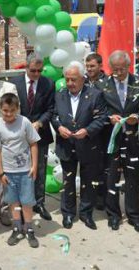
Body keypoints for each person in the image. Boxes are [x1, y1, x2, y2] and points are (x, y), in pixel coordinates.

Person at [51, 62, 107, 230]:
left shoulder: (96, 95)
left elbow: (102, 118)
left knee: (88, 181)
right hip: (66, 145)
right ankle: (68, 213)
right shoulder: (59, 94)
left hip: (88, 145)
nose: (70, 83)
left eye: (73, 80)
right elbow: (54, 115)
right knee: (68, 181)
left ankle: (86, 213)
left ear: (83, 79)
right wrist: (59, 127)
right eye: (67, 79)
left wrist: (87, 131)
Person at [0, 93, 40, 248]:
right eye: (5, 110)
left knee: (27, 201)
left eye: (12, 110)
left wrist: (34, 166)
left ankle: (29, 228)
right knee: (13, 201)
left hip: (25, 171)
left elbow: (33, 144)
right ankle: (17, 226)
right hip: (8, 172)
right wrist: (1, 173)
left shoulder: (24, 122)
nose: (9, 114)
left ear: (18, 108)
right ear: (0, 110)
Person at [9, 53, 55, 221]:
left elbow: (51, 108)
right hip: (18, 135)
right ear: (26, 67)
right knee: (19, 170)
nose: (36, 74)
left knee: (40, 170)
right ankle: (21, 203)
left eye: (39, 71)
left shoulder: (48, 83)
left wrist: (40, 123)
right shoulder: (14, 83)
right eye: (33, 70)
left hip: (40, 133)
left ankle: (39, 202)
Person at [100, 50, 139, 232]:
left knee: (133, 176)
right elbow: (97, 110)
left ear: (128, 66)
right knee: (111, 176)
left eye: (122, 69)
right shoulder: (103, 85)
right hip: (111, 138)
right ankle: (113, 215)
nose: (118, 73)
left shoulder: (137, 83)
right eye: (115, 69)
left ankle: (133, 214)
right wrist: (109, 117)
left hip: (133, 139)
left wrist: (137, 117)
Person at [84, 53, 108, 210]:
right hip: (85, 131)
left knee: (102, 165)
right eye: (87, 66)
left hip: (103, 131)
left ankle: (101, 197)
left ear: (100, 65)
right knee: (87, 165)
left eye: (92, 66)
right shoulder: (83, 81)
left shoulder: (108, 83)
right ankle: (88, 196)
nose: (89, 69)